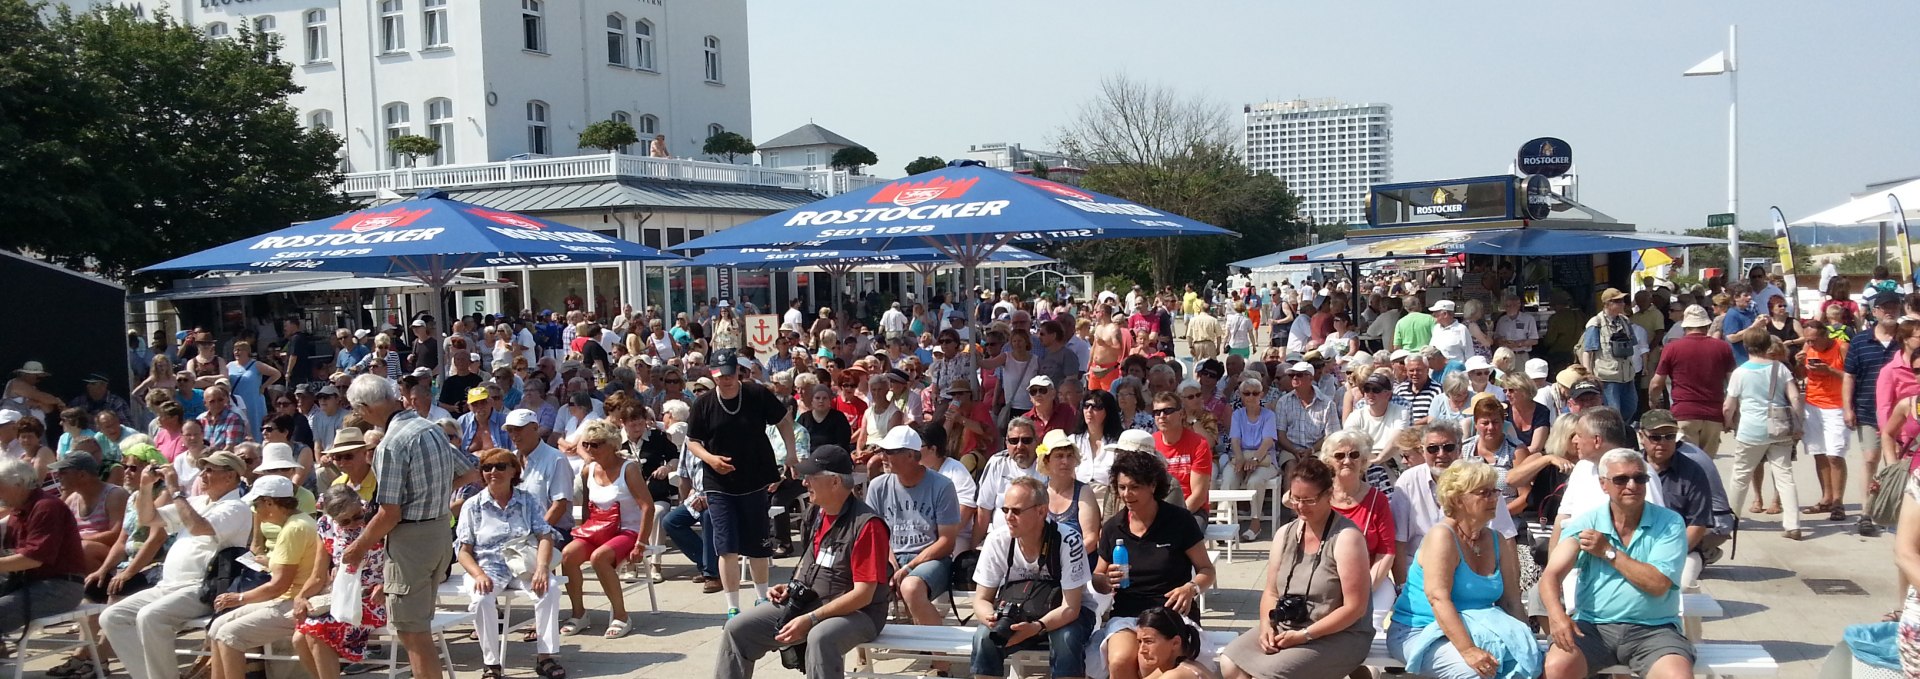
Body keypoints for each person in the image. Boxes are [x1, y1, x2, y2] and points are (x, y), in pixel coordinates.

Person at [714, 445, 891, 679]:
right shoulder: (816, 513)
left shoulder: (867, 525)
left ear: (835, 482)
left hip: (859, 613)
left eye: (811, 477)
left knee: (821, 637)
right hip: (810, 602)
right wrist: (791, 587)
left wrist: (811, 619)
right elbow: (812, 562)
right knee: (737, 630)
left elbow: (863, 595)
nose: (805, 483)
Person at [342, 374, 476, 679]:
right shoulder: (430, 429)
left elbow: (389, 513)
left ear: (365, 407)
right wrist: (434, 495)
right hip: (439, 532)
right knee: (417, 630)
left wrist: (356, 548)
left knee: (412, 633)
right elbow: (470, 473)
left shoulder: (391, 443)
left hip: (413, 542)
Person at [1541, 449, 1694, 679]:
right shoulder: (1587, 521)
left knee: (1677, 677)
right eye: (1621, 479)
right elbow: (1551, 575)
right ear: (1604, 485)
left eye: (1639, 478)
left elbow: (1658, 584)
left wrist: (1608, 551)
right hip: (1593, 628)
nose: (1632, 485)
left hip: (1654, 629)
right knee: (1557, 667)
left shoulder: (1670, 523)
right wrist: (1557, 616)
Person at [99, 451, 251, 679]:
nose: (203, 475)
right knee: (112, 617)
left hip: (202, 589)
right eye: (203, 469)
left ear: (229, 477)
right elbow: (148, 519)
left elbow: (200, 527)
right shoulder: (198, 502)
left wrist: (175, 489)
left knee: (150, 617)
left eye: (210, 470)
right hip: (168, 586)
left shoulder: (237, 508)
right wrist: (146, 485)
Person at [1219, 457, 1372, 679]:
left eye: (1308, 500)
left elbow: (1355, 609)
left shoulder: (1347, 538)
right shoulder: (1285, 533)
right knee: (1230, 663)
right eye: (1295, 498)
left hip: (1340, 633)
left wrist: (1305, 635)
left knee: (1270, 674)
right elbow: (1271, 591)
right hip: (1289, 625)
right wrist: (1266, 625)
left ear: (1328, 494)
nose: (1300, 506)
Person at [1386, 462, 1542, 679]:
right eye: (1484, 493)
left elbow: (1511, 602)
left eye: (1495, 491)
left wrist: (1529, 645)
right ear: (1458, 499)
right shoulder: (1442, 537)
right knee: (1475, 672)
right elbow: (1438, 599)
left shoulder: (1496, 539)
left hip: (1482, 630)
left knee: (1532, 664)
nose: (1494, 498)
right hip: (1422, 631)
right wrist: (1468, 650)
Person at [686, 349, 799, 617]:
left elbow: (783, 419)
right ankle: (732, 606)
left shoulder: (756, 394)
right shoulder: (703, 404)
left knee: (758, 542)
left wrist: (790, 451)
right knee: (727, 546)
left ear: (737, 371)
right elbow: (693, 441)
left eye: (729, 373)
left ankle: (762, 599)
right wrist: (711, 459)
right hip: (719, 482)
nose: (725, 379)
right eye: (719, 375)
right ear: (712, 374)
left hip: (754, 477)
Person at [1093, 449, 1218, 679]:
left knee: (1150, 664)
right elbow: (1098, 577)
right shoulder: (1113, 527)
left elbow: (1207, 570)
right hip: (1128, 612)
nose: (1127, 494)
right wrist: (1104, 580)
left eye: (1134, 487)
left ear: (1152, 485)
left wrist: (1191, 588)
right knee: (1120, 661)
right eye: (1122, 488)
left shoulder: (1179, 521)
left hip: (1170, 613)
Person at [969, 476, 1097, 679]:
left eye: (1017, 511)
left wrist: (1037, 627)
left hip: (1068, 613)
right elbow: (981, 599)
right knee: (984, 637)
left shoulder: (1068, 540)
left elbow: (1071, 608)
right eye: (1005, 510)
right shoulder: (997, 540)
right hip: (1020, 612)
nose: (1008, 517)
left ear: (1041, 511)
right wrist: (992, 619)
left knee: (1065, 638)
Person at [454, 449, 566, 679]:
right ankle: (491, 663)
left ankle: (546, 656)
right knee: (481, 598)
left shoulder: (527, 500)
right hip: (487, 565)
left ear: (514, 470)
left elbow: (545, 535)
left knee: (550, 588)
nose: (493, 472)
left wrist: (543, 569)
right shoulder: (473, 505)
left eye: (500, 466)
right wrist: (478, 575)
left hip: (522, 563)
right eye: (487, 467)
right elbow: (463, 550)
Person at [206, 476, 319, 679]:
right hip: (290, 600)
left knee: (228, 635)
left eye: (256, 504)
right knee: (217, 627)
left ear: (269, 502)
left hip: (296, 603)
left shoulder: (294, 529)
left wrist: (239, 598)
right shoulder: (298, 522)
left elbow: (279, 586)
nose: (255, 511)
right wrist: (269, 561)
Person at [1391, 423, 1520, 584]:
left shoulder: (1483, 481)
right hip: (1419, 575)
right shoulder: (1408, 481)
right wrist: (1401, 586)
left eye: (1448, 447)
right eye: (1433, 449)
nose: (1441, 454)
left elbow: (1506, 537)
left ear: (1459, 449)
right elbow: (1398, 541)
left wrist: (1514, 586)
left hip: (1471, 573)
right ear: (1422, 451)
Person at [558, 418, 651, 638]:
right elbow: (587, 506)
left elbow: (647, 507)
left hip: (627, 530)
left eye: (596, 444)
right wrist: (583, 532)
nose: (589, 449)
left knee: (599, 557)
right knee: (568, 555)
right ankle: (579, 613)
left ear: (612, 444)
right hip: (597, 529)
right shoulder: (587, 470)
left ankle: (621, 615)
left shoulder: (629, 469)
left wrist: (642, 542)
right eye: (586, 444)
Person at [864, 426, 960, 628]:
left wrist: (908, 567)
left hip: (932, 559)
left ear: (910, 455)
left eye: (889, 452)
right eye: (882, 451)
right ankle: (864, 648)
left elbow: (947, 542)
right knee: (857, 582)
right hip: (891, 556)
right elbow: (874, 535)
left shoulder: (942, 486)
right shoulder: (878, 486)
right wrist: (892, 563)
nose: (882, 457)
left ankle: (940, 657)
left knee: (911, 587)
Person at [291, 485, 389, 679]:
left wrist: (386, 585)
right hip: (345, 597)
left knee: (315, 631)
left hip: (376, 597)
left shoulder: (376, 518)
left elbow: (402, 562)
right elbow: (318, 576)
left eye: (357, 516)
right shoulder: (325, 526)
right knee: (298, 639)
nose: (353, 524)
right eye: (345, 521)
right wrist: (301, 597)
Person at [1723, 334, 1806, 540]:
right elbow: (1795, 397)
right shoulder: (1780, 368)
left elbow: (1729, 404)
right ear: (1767, 345)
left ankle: (1731, 519)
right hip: (1779, 427)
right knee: (1784, 475)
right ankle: (1792, 524)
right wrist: (1798, 423)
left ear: (1746, 346)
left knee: (1741, 475)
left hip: (1751, 429)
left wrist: (1727, 422)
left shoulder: (1740, 372)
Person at [0, 457, 87, 635]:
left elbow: (33, 559)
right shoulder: (19, 509)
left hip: (60, 587)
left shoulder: (47, 507)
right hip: (30, 582)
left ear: (19, 484)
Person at [1320, 430, 1397, 610]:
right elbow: (1290, 498)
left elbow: (1387, 552)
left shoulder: (1378, 500)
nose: (1347, 461)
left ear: (1363, 461)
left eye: (1354, 455)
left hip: (1370, 581)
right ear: (1328, 462)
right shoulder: (1319, 496)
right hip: (1323, 581)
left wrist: (1363, 590)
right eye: (1339, 455)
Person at [1649, 305, 1735, 456]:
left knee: (1687, 464)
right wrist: (1731, 414)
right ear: (1707, 325)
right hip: (1713, 415)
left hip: (1684, 413)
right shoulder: (1723, 348)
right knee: (1707, 465)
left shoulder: (1672, 348)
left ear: (1685, 326)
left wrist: (1653, 401)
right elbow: (1733, 385)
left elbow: (1656, 383)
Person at [1799, 318, 1851, 521]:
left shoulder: (1842, 348)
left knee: (1835, 455)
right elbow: (1801, 373)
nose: (1810, 344)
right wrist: (1799, 362)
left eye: (1813, 340)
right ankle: (1826, 498)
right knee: (1818, 453)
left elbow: (1851, 376)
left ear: (1825, 335)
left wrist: (1828, 370)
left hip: (1836, 406)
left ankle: (1838, 501)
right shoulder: (1808, 348)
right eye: (1807, 340)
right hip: (1813, 404)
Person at [1225, 378, 1282, 540]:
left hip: (1264, 459)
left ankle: (1255, 523)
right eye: (1246, 393)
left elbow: (1267, 442)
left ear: (1261, 395)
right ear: (1241, 395)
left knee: (1255, 481)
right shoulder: (1237, 415)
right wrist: (1240, 458)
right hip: (1241, 456)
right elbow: (1235, 439)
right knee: (1229, 478)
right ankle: (1226, 522)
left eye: (1255, 393)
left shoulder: (1268, 415)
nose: (1251, 397)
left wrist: (1255, 459)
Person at [1582, 289, 1647, 420]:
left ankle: (1623, 432)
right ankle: (1617, 437)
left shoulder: (1625, 321)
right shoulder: (1596, 323)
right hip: (1608, 377)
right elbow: (1587, 351)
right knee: (1613, 413)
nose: (1623, 304)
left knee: (1631, 408)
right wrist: (1588, 374)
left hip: (1627, 375)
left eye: (1623, 300)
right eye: (1618, 301)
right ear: (1608, 303)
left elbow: (1633, 344)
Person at [1152, 391, 1213, 516]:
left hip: (1192, 510)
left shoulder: (1199, 444)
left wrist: (1174, 519)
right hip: (1157, 511)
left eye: (1168, 411)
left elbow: (1198, 496)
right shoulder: (1150, 444)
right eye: (1157, 412)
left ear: (1181, 414)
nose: (1162, 416)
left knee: (1180, 534)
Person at [1132, 608, 1215, 679]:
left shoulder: (1174, 675)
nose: (1141, 650)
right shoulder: (1191, 665)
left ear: (1175, 643)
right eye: (1140, 641)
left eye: (1149, 641)